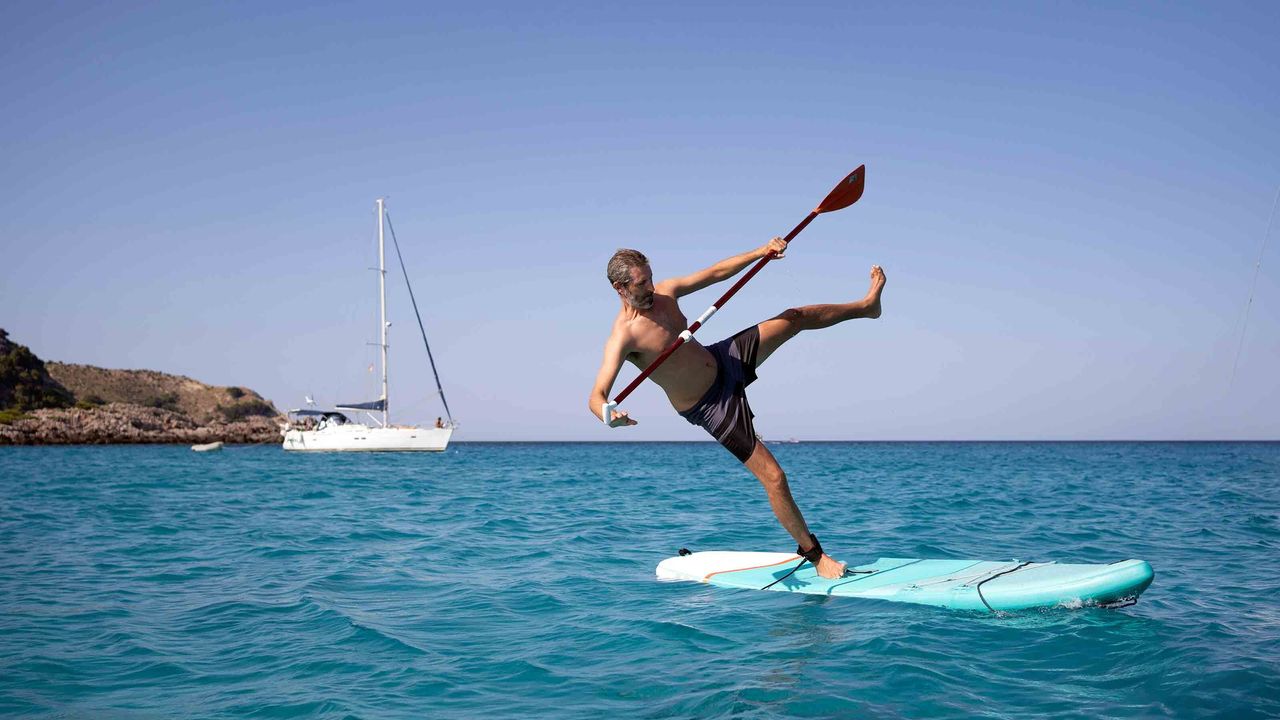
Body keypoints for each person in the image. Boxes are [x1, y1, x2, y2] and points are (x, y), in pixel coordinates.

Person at [588, 239, 885, 579]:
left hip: (723, 360)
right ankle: (816, 557)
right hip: (711, 406)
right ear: (620, 288)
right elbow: (597, 396)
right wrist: (609, 415)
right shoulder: (624, 335)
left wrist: (761, 252)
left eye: (651, 277)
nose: (652, 287)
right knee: (774, 478)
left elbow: (716, 273)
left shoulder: (666, 294)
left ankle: (866, 307)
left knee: (793, 317)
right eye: (642, 283)